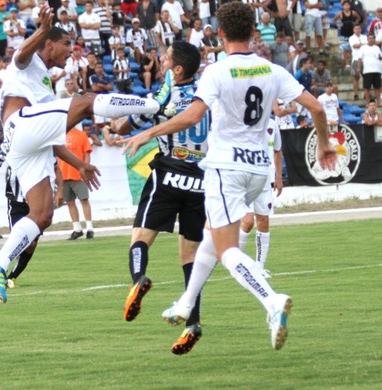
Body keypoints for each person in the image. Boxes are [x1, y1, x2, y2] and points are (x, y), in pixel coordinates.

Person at [121, 1, 336, 351]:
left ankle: (271, 300)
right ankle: (186, 304)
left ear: (219, 33)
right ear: (254, 32)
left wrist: (149, 132)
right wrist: (325, 143)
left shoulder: (217, 72)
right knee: (210, 236)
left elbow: (191, 117)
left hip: (226, 168)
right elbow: (315, 107)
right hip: (258, 169)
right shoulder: (271, 69)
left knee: (226, 249)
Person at [0, 8, 159, 304]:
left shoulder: (46, 90)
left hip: (26, 143)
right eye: (66, 45)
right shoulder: (30, 61)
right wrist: (42, 29)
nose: (70, 52)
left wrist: (79, 164)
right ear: (49, 44)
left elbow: (50, 137)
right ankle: (152, 104)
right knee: (86, 100)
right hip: (20, 125)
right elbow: (20, 55)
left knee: (42, 216)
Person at [112, 41, 209, 355]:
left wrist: (117, 123)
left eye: (166, 59)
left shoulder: (163, 97)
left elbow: (128, 124)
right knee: (190, 256)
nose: (161, 61)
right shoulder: (206, 98)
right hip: (200, 180)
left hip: (168, 173)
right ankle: (192, 324)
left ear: (178, 69)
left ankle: (139, 279)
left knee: (141, 236)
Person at [238, 118, 282, 279]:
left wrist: (278, 177)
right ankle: (238, 264)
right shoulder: (243, 122)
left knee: (263, 221)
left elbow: (277, 151)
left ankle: (259, 267)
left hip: (265, 179)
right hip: (246, 179)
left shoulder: (272, 124)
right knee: (248, 221)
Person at [59, 125, 95, 240]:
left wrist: (84, 169)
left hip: (77, 173)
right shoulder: (58, 135)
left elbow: (87, 154)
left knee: (84, 199)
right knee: (70, 202)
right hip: (63, 173)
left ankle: (89, 228)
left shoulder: (81, 135)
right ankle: (77, 228)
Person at [360, 32, 382, 104]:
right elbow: (360, 59)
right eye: (369, 38)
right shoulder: (363, 48)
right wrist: (359, 67)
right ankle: (368, 102)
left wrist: (380, 57)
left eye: (372, 38)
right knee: (367, 87)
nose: (371, 40)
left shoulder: (377, 48)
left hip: (377, 70)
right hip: (367, 70)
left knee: (377, 87)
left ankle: (378, 102)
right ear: (367, 39)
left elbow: (380, 57)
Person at [348, 23, 366, 100]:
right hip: (355, 59)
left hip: (364, 59)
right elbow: (355, 46)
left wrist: (360, 45)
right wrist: (363, 44)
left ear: (361, 29)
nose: (357, 30)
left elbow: (363, 45)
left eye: (359, 29)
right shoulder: (351, 38)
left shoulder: (364, 37)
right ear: (353, 30)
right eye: (356, 29)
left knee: (366, 77)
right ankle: (356, 94)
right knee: (356, 77)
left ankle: (366, 93)